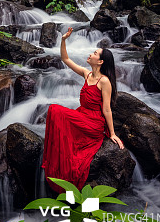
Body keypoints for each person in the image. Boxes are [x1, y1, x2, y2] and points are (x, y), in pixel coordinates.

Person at [42, 27, 124, 192]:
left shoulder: (104, 81)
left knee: (55, 110)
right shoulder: (87, 74)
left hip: (93, 123)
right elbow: (65, 59)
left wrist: (112, 133)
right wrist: (64, 39)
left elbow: (106, 109)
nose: (90, 54)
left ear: (100, 62)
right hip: (82, 115)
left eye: (94, 53)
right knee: (56, 113)